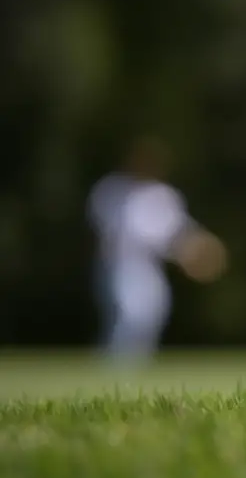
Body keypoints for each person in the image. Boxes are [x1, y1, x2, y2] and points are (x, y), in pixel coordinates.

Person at [88, 136, 228, 367]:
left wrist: (196, 249)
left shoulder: (163, 194)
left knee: (152, 315)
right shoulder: (111, 189)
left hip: (150, 267)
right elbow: (115, 233)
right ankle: (114, 367)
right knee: (132, 314)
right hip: (118, 264)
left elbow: (178, 232)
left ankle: (132, 370)